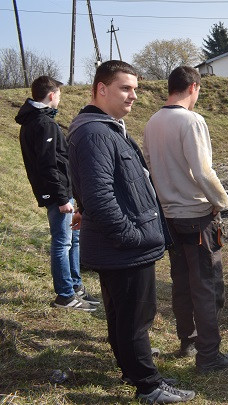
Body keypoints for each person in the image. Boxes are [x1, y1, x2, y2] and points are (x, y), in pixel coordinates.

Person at [68, 60, 195, 404]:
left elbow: (97, 189)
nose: (133, 96)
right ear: (100, 89)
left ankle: (135, 372)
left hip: (121, 245)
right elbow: (99, 195)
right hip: (125, 247)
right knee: (136, 319)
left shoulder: (104, 128)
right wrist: (131, 236)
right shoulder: (94, 132)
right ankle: (149, 387)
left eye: (135, 89)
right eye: (125, 88)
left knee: (124, 317)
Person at [142, 66, 228, 373]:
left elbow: (149, 167)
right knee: (207, 285)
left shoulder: (152, 122)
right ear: (193, 87)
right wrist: (222, 201)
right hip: (197, 217)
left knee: (181, 281)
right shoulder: (192, 121)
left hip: (169, 217)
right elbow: (202, 171)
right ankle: (209, 355)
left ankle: (188, 339)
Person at [16, 75, 99, 312]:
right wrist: (62, 198)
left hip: (62, 191)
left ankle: (75, 287)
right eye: (59, 94)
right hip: (58, 194)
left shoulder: (37, 120)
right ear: (52, 95)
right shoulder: (43, 124)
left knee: (73, 239)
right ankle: (65, 296)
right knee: (62, 243)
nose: (60, 98)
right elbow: (48, 164)